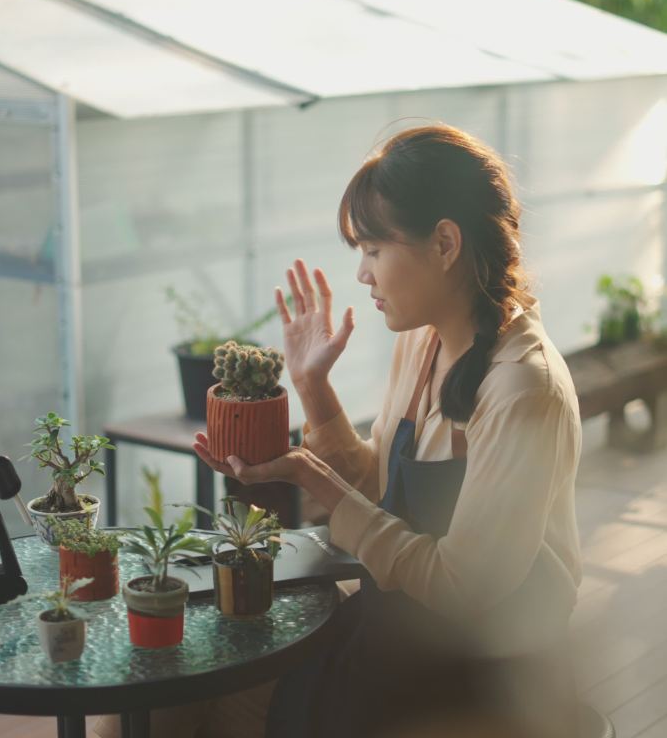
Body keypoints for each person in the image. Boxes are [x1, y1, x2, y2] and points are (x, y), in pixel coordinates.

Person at [188, 123, 583, 738]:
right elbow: (382, 491)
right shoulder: (425, 343)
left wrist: (313, 477)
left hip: (474, 680)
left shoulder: (523, 390)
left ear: (445, 242)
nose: (363, 276)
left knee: (204, 705)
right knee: (184, 689)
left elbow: (460, 588)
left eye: (374, 250)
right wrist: (313, 388)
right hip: (396, 631)